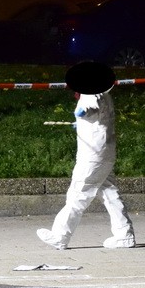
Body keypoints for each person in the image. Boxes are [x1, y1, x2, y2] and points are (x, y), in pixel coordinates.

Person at [37, 60, 135, 250]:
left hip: (92, 155)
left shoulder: (89, 95)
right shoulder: (105, 95)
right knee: (109, 193)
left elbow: (90, 110)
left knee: (78, 193)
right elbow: (100, 118)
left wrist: (82, 114)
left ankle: (60, 235)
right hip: (106, 152)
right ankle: (124, 234)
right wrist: (80, 122)